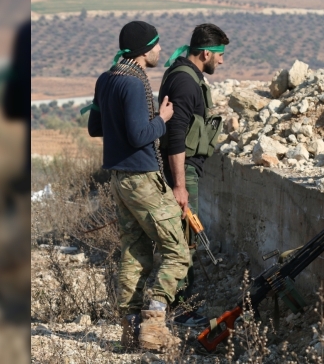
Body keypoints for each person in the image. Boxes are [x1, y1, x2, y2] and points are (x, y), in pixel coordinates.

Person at [87, 21, 189, 350]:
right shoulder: (133, 83)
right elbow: (139, 136)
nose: (161, 50)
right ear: (145, 50)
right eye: (157, 45)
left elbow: (94, 127)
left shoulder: (107, 79)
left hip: (119, 177)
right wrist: (162, 119)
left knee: (134, 252)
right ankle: (154, 326)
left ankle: (129, 333)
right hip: (142, 177)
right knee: (178, 251)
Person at [158, 23, 230, 326]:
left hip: (185, 170)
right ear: (205, 53)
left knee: (183, 238)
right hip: (183, 171)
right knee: (185, 241)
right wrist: (179, 185)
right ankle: (182, 310)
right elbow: (175, 135)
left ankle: (173, 304)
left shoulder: (184, 75)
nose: (222, 61)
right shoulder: (186, 83)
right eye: (220, 55)